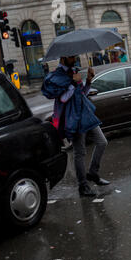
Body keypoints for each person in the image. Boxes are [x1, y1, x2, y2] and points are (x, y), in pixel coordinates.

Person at [41, 55, 110, 197]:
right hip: (73, 118)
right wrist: (73, 83)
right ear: (63, 58)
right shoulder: (57, 76)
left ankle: (93, 173)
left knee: (102, 142)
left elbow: (82, 94)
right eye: (71, 57)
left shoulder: (74, 71)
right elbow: (63, 98)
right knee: (80, 152)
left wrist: (88, 81)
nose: (74, 58)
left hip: (85, 113)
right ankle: (83, 186)